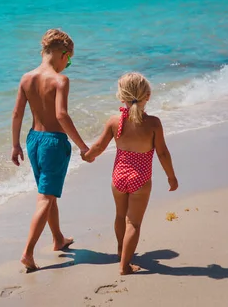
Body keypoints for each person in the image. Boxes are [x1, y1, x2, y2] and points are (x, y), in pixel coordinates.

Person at [82, 72, 179, 275]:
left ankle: (121, 251)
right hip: (140, 179)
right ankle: (124, 266)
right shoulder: (153, 123)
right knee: (133, 222)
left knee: (119, 215)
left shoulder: (114, 121)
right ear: (148, 96)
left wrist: (88, 156)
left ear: (121, 96)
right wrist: (171, 176)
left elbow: (99, 147)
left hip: (118, 177)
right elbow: (162, 152)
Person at [11, 28, 90, 271]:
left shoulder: (26, 78)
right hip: (54, 143)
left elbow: (16, 114)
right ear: (62, 54)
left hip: (33, 140)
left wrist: (15, 145)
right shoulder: (60, 80)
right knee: (45, 197)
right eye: (70, 60)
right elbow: (61, 115)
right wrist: (83, 146)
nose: (68, 65)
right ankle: (28, 252)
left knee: (48, 191)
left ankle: (58, 238)